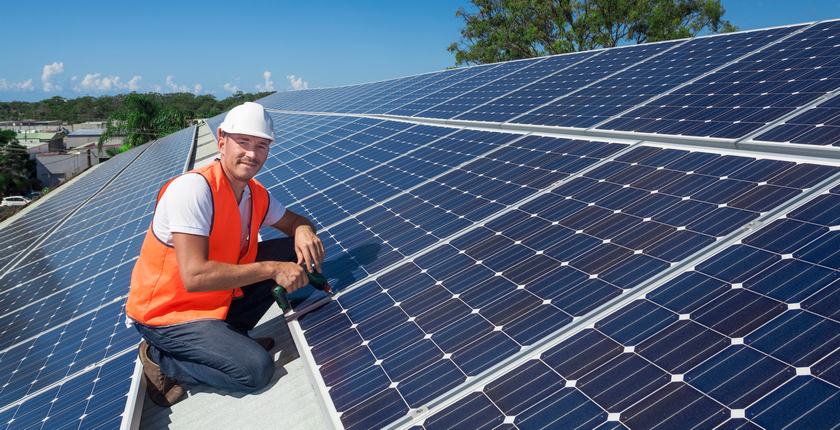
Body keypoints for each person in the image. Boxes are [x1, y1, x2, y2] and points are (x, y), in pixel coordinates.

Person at [125, 102, 325, 407]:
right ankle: (160, 357)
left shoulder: (255, 193)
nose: (252, 154)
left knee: (293, 250)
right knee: (256, 370)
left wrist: (303, 229)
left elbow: (296, 222)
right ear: (221, 141)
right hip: (168, 314)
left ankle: (229, 340)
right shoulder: (194, 190)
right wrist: (272, 269)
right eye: (243, 142)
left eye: (261, 145)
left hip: (215, 299)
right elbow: (194, 276)